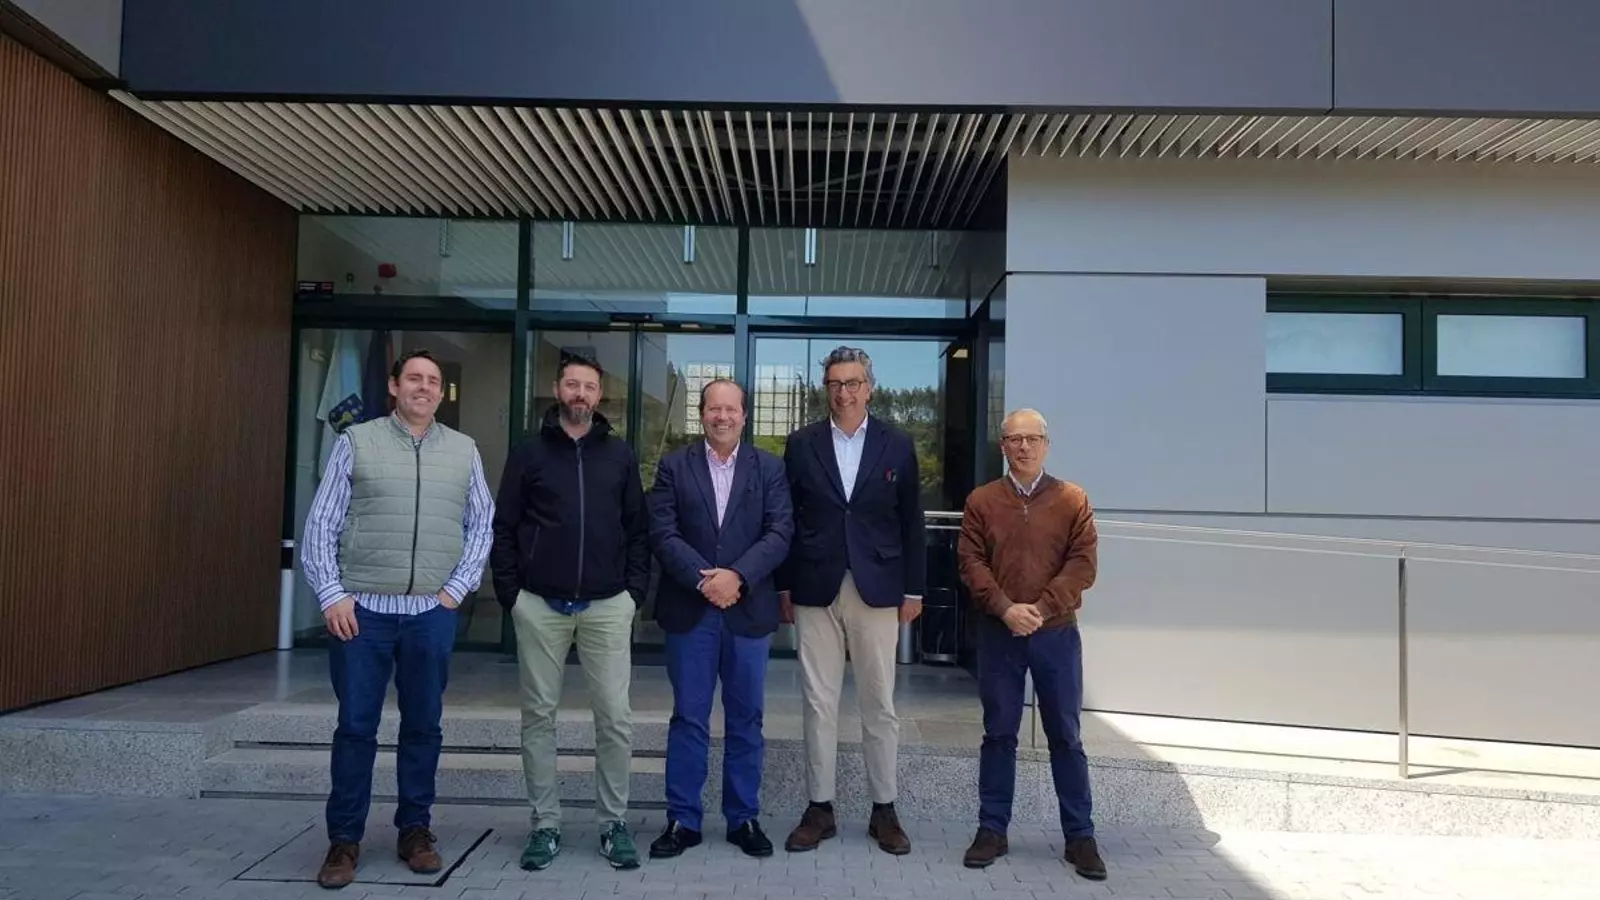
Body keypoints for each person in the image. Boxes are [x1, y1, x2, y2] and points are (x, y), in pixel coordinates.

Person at [300, 348, 495, 890]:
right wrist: (332, 594)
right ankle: (344, 840)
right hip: (361, 615)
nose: (424, 387)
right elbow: (323, 522)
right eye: (414, 378)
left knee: (423, 727)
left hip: (430, 614)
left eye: (433, 380)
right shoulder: (356, 441)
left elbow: (482, 522)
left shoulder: (464, 449)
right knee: (355, 728)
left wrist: (456, 590)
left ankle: (415, 832)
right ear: (393, 386)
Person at [490, 353, 650, 872]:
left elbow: (638, 529)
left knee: (615, 718)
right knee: (539, 717)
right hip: (541, 606)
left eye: (589, 386)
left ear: (600, 395)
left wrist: (633, 594)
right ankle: (545, 824)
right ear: (558, 389)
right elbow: (504, 527)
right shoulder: (529, 453)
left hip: (607, 606)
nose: (580, 393)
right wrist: (512, 595)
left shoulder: (619, 455)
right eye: (572, 384)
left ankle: (613, 823)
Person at [775, 345, 926, 856]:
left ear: (870, 388)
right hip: (814, 585)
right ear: (827, 389)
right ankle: (820, 808)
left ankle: (884, 810)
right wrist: (783, 586)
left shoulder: (897, 444)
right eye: (836, 383)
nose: (845, 392)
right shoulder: (801, 444)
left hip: (878, 586)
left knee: (878, 703)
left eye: (854, 383)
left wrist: (914, 589)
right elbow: (788, 518)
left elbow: (911, 520)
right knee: (818, 702)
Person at [645, 379, 793, 860]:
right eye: (714, 408)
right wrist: (705, 581)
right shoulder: (674, 466)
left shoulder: (769, 468)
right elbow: (662, 531)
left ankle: (743, 817)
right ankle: (682, 820)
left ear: (744, 416)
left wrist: (738, 577)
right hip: (692, 610)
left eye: (731, 409)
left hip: (747, 610)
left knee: (746, 717)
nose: (722, 416)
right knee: (689, 717)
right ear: (702, 413)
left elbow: (780, 531)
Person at [955, 408, 1104, 881]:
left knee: (1066, 735)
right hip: (999, 634)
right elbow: (970, 562)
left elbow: (1083, 564)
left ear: (1047, 445)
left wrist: (1039, 608)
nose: (1023, 446)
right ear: (1002, 446)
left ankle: (1079, 836)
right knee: (999, 733)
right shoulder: (982, 500)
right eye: (1015, 439)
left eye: (1032, 438)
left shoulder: (1072, 499)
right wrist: (1005, 609)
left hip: (1055, 633)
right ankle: (992, 830)